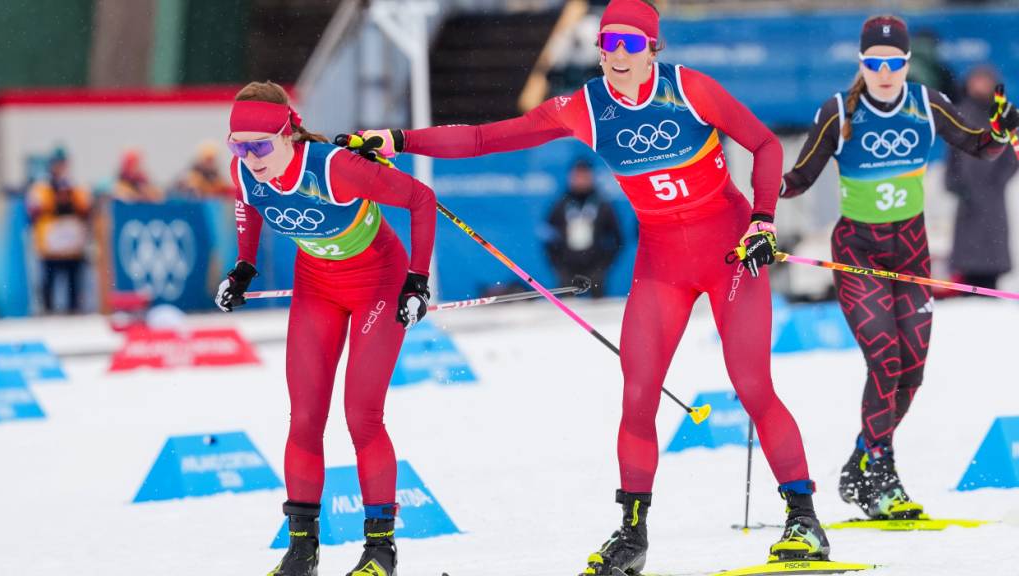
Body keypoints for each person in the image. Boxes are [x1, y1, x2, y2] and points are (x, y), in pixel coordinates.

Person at [342, 0, 830, 572]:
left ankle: (804, 520)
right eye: (607, 45)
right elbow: (482, 138)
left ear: (652, 49)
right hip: (662, 263)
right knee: (638, 394)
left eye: (630, 45)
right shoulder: (582, 107)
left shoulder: (691, 89)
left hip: (730, 253)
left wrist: (763, 219)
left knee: (751, 383)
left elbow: (766, 146)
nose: (617, 57)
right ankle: (632, 535)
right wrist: (398, 140)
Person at [781, 16, 1017, 521]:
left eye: (894, 62)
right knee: (884, 359)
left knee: (911, 374)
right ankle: (882, 472)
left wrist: (1002, 131)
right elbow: (796, 179)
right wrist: (747, 211)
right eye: (874, 62)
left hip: (911, 253)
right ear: (861, 63)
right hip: (859, 253)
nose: (884, 71)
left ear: (907, 64)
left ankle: (862, 459)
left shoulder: (926, 103)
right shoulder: (839, 111)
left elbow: (979, 145)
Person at [215, 81, 436, 576]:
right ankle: (302, 552)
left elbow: (421, 198)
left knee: (361, 414)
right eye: (238, 145)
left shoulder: (333, 168)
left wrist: (417, 282)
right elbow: (248, 204)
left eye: (260, 145)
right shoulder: (244, 170)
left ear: (288, 135)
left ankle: (380, 550)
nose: (249, 157)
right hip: (316, 285)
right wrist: (243, 267)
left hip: (379, 282)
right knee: (306, 416)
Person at [947, 65, 1018, 290]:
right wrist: (957, 184)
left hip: (992, 195)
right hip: (967, 197)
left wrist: (998, 181)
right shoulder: (960, 113)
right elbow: (953, 156)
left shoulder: (1003, 114)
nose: (981, 86)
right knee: (967, 260)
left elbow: (1012, 154)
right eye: (977, 80)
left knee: (992, 256)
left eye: (985, 81)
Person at [26, 146, 92, 314]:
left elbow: (86, 209)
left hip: (72, 245)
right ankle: (47, 310)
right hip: (51, 245)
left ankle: (74, 310)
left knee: (73, 282)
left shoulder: (76, 187)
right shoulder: (42, 188)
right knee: (48, 281)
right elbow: (33, 210)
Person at [545, 159, 623, 297]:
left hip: (595, 266)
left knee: (599, 311)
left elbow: (618, 238)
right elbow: (548, 237)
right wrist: (559, 267)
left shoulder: (603, 204)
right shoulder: (560, 205)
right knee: (566, 310)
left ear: (591, 177)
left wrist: (603, 267)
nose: (580, 180)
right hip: (567, 267)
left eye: (584, 176)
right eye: (577, 176)